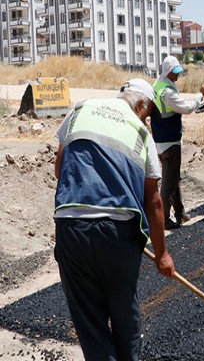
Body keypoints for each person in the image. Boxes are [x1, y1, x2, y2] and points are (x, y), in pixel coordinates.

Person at [54, 79, 175, 360]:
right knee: (124, 312)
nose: (146, 120)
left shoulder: (80, 110)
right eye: (147, 114)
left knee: (91, 323)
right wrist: (162, 255)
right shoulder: (140, 134)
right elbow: (153, 202)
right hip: (119, 232)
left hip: (71, 224)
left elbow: (60, 169)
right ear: (141, 105)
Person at [150, 55, 204, 228]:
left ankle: (180, 213)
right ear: (168, 72)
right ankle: (164, 219)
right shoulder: (167, 92)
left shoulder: (157, 86)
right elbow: (186, 108)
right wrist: (200, 95)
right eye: (175, 73)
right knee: (168, 183)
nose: (178, 75)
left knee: (173, 177)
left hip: (161, 139)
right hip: (170, 141)